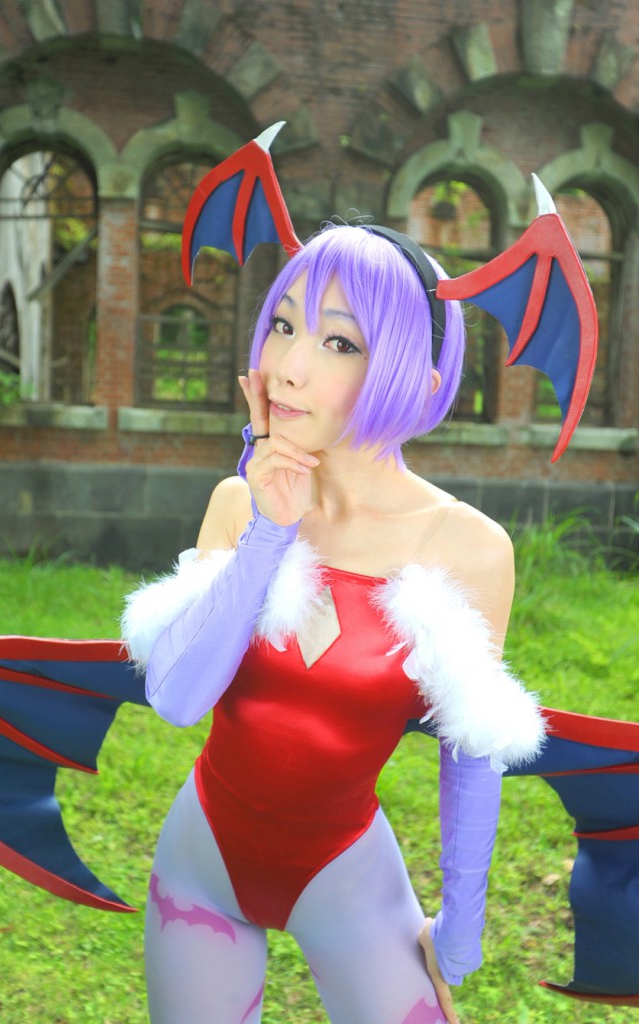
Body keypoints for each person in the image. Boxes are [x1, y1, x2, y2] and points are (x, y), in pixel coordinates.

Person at [122, 224, 546, 1024]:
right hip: (200, 864)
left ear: (413, 377)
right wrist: (270, 530)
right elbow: (176, 700)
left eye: (339, 342)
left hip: (346, 876)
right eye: (283, 325)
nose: (288, 365)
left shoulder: (469, 548)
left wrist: (459, 933)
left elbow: (472, 747)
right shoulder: (238, 503)